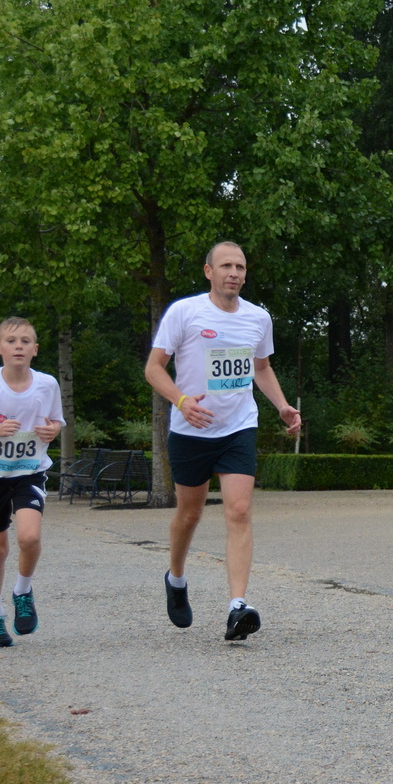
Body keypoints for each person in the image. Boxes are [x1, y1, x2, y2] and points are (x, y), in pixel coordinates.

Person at [145, 242, 302, 640]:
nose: (234, 273)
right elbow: (153, 368)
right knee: (189, 514)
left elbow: (261, 368)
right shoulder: (185, 312)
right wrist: (181, 400)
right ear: (209, 271)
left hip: (238, 426)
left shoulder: (258, 318)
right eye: (226, 265)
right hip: (191, 429)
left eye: (240, 267)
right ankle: (176, 578)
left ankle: (237, 606)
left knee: (240, 510)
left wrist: (282, 405)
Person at [0, 319, 63, 647]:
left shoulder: (48, 384)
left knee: (29, 536)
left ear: (35, 349)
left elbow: (56, 421)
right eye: (11, 341)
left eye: (25, 341)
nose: (18, 346)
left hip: (29, 471)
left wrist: (53, 430)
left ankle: (23, 591)